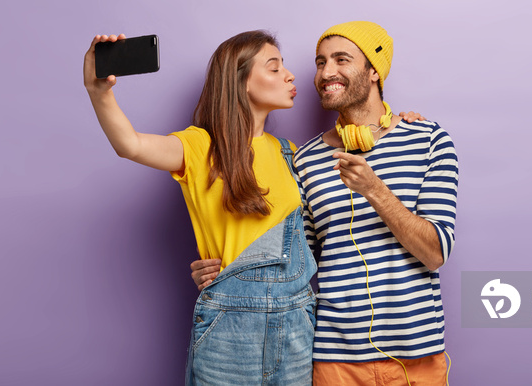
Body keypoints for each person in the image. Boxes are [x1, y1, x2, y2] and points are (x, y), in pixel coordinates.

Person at [192, 21, 459, 385]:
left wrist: (374, 190)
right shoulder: (305, 160)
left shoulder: (430, 140)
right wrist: (230, 275)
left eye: (341, 59)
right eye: (320, 62)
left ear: (374, 71)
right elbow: (296, 259)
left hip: (417, 357)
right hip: (334, 361)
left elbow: (435, 252)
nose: (325, 72)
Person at [83, 31, 317, 385]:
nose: (289, 75)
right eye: (274, 67)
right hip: (229, 330)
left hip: (297, 326)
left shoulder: (291, 153)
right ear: (241, 81)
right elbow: (129, 144)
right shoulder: (200, 146)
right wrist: (99, 91)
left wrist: (396, 120)